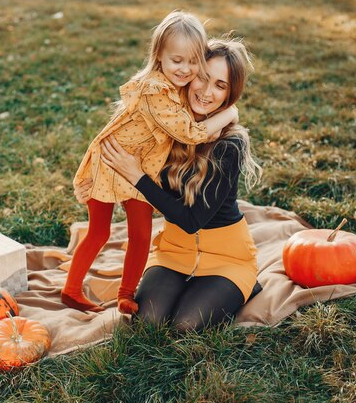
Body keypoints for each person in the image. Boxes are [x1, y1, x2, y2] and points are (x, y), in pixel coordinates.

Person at [77, 37, 262, 332]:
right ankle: (190, 289)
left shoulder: (231, 144)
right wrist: (93, 184)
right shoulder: (163, 127)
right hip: (174, 251)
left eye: (220, 85)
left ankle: (242, 284)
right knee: (148, 321)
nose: (206, 91)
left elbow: (192, 220)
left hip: (227, 257)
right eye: (202, 78)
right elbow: (113, 151)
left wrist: (136, 176)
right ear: (188, 76)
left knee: (185, 325)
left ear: (230, 95)